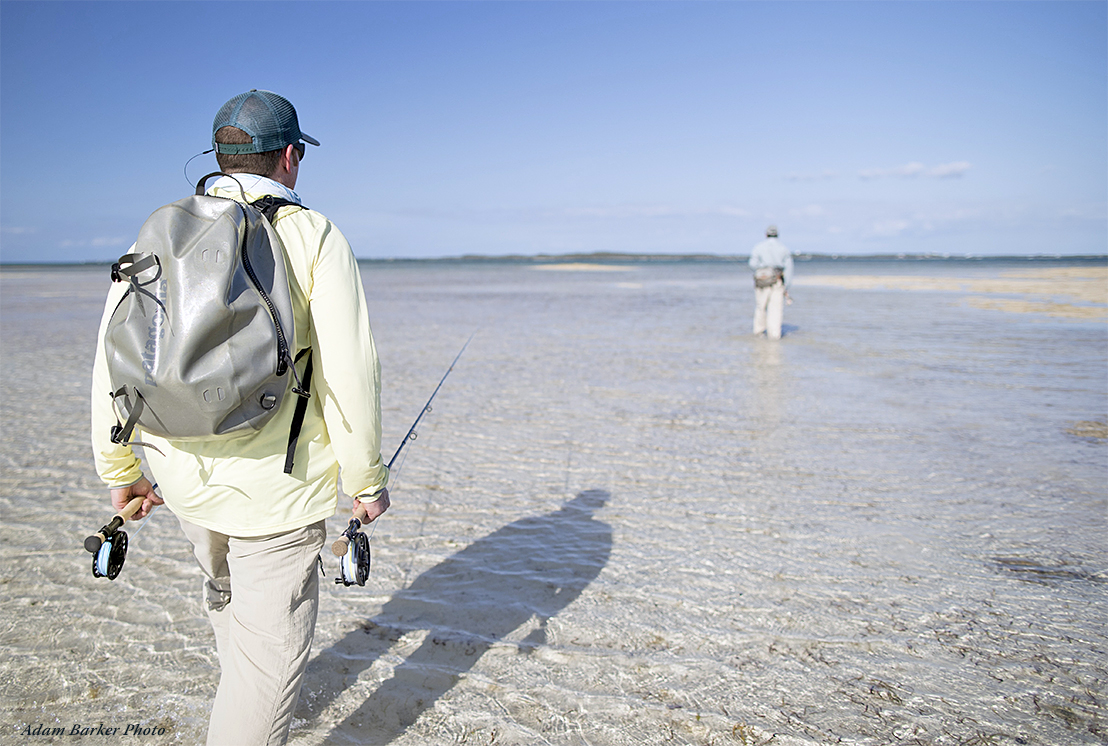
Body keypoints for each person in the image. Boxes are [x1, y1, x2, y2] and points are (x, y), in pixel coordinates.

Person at [90, 89, 391, 746]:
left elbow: (114, 360)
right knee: (265, 669)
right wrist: (366, 481)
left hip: (184, 480)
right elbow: (350, 373)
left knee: (232, 618)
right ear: (290, 156)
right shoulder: (314, 235)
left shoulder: (163, 228)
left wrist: (122, 469)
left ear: (221, 155)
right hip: (279, 495)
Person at [747, 225, 794, 340]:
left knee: (760, 307)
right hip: (777, 281)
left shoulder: (758, 247)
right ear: (777, 234)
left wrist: (761, 269)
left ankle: (758, 333)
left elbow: (752, 264)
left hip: (762, 281)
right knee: (776, 309)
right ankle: (774, 335)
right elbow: (789, 269)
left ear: (766, 234)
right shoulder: (783, 248)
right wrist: (786, 285)